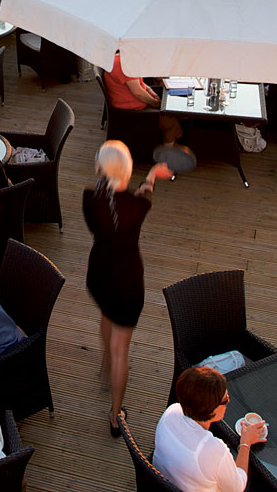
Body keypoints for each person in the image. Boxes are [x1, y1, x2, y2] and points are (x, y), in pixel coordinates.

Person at [85, 140, 173, 435]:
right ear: (128, 170)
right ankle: (114, 415)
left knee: (105, 316)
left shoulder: (91, 198)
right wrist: (151, 177)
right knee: (122, 348)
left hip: (98, 276)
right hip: (127, 284)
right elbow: (143, 193)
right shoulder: (138, 207)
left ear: (100, 168)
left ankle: (105, 367)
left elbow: (109, 200)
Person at [153, 365, 264, 492]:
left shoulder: (171, 412)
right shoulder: (214, 450)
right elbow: (237, 488)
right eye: (226, 399)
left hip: (161, 482)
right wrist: (246, 443)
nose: (229, 401)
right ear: (212, 409)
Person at [107, 53, 182, 145]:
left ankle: (176, 143)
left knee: (175, 120)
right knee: (172, 124)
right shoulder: (127, 65)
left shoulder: (120, 58)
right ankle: (168, 153)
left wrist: (150, 91)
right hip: (133, 112)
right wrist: (155, 103)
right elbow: (138, 92)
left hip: (129, 104)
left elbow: (137, 84)